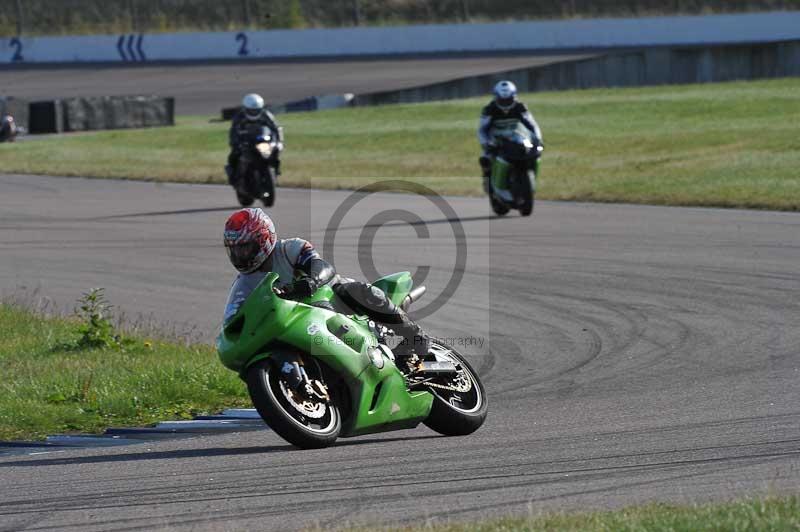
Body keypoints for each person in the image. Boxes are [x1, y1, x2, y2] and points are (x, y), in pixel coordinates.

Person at [222, 208, 429, 359]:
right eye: (235, 250)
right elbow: (233, 320)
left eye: (245, 248)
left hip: (329, 299)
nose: (240, 256)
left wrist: (311, 282)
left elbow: (322, 266)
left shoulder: (289, 249)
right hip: (293, 322)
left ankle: (415, 336)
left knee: (356, 291)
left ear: (264, 239)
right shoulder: (243, 285)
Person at [477, 80, 543, 201]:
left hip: (517, 137)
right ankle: (487, 181)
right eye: (502, 100)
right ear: (496, 97)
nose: (505, 103)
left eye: (508, 100)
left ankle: (531, 179)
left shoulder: (520, 107)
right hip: (495, 139)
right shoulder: (489, 109)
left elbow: (533, 125)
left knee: (536, 152)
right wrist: (486, 143)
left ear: (514, 97)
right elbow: (482, 130)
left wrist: (538, 139)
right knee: (485, 159)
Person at [225, 93, 284, 185]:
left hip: (262, 140)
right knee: (234, 155)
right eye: (251, 111)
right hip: (245, 142)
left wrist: (279, 141)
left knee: (275, 151)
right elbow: (233, 131)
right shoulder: (239, 117)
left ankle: (275, 172)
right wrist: (235, 143)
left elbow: (276, 128)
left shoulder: (266, 115)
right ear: (245, 109)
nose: (254, 113)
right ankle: (233, 176)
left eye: (256, 110)